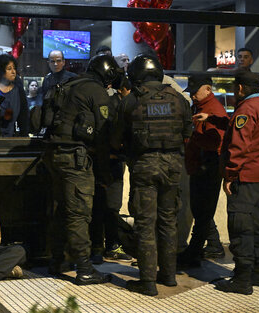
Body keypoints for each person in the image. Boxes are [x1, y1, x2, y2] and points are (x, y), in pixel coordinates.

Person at [111, 54, 192, 296]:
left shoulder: (133, 100)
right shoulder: (178, 98)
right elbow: (188, 131)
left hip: (145, 166)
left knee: (146, 223)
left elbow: (116, 138)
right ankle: (168, 276)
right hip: (173, 166)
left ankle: (147, 281)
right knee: (168, 220)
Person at [43, 54, 123, 285]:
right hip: (75, 158)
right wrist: (105, 172)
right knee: (79, 213)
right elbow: (103, 134)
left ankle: (57, 260)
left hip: (54, 154)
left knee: (61, 211)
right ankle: (85, 268)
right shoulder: (96, 91)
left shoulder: (69, 84)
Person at [215, 70, 259, 295]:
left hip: (243, 176)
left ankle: (242, 279)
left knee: (241, 227)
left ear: (240, 88)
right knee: (256, 225)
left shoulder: (246, 109)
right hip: (257, 176)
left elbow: (239, 147)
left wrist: (230, 175)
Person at [177, 74, 228, 268]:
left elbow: (216, 142)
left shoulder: (214, 110)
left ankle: (194, 252)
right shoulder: (199, 107)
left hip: (207, 166)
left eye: (195, 92)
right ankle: (212, 245)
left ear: (208, 89)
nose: (192, 96)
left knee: (202, 210)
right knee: (201, 210)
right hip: (199, 165)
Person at [90, 74, 132, 264]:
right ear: (123, 89)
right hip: (109, 163)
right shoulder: (116, 106)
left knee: (105, 207)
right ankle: (108, 246)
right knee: (108, 207)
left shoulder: (114, 103)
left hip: (108, 162)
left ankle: (101, 247)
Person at [0, 53, 29, 137]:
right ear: (0, 71)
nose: (13, 72)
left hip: (10, 138)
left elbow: (23, 116)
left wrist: (24, 137)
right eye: (9, 69)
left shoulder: (18, 91)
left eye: (14, 68)